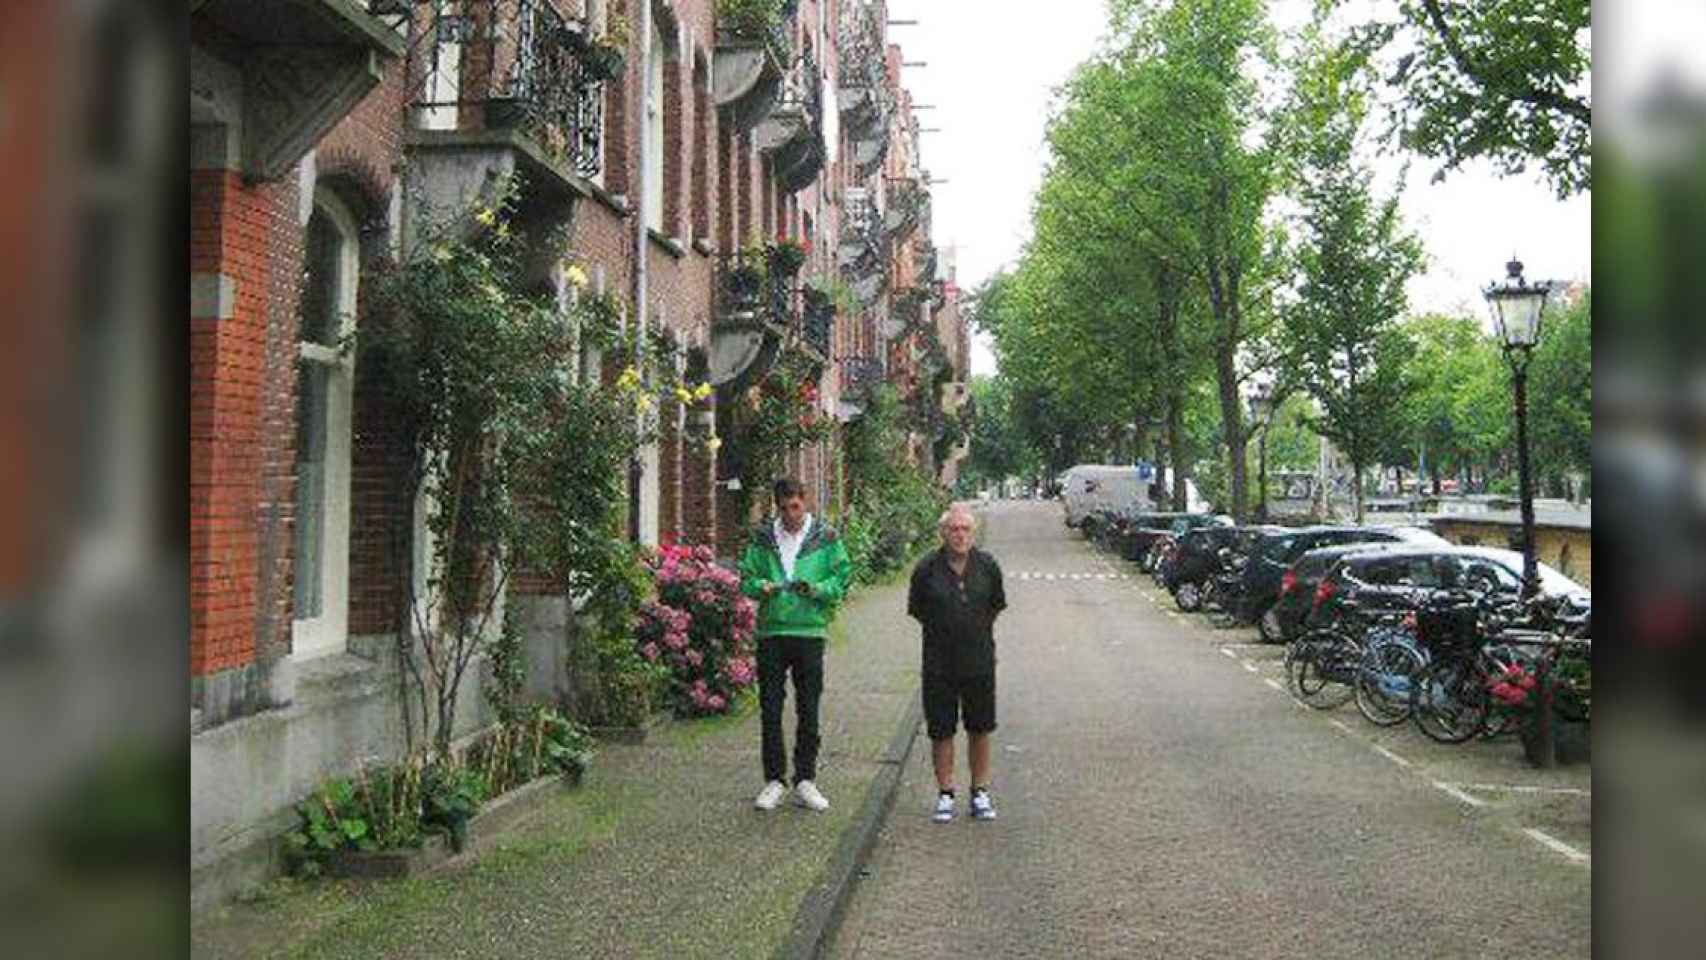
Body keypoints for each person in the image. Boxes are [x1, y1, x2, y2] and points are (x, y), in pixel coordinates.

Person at [738, 477, 853, 812]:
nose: (790, 515)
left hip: (809, 632)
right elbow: (746, 580)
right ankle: (774, 780)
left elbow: (842, 578)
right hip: (772, 632)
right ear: (776, 506)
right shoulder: (762, 538)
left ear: (806, 502)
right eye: (784, 508)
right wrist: (763, 586)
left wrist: (816, 589)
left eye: (796, 507)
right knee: (770, 708)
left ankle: (806, 779)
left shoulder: (826, 537)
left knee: (809, 707)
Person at [907, 504, 1006, 823]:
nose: (960, 535)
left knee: (980, 727)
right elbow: (919, 610)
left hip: (979, 662)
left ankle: (979, 791)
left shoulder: (988, 566)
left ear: (973, 533)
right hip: (939, 664)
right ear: (943, 533)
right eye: (954, 529)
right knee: (941, 730)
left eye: (965, 529)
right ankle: (946, 792)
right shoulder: (925, 569)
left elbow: (995, 606)